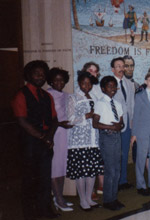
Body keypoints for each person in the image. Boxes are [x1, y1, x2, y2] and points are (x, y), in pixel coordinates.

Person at [12, 60, 60, 219]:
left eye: (43, 74)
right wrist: (42, 137)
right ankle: (30, 214)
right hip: (29, 144)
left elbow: (55, 119)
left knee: (45, 179)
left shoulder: (47, 96)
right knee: (30, 180)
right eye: (37, 73)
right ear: (29, 75)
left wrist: (49, 137)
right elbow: (22, 121)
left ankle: (45, 211)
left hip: (46, 143)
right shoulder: (21, 94)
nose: (40, 76)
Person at [66, 72, 103, 211]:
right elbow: (70, 118)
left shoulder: (94, 97)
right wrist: (87, 115)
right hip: (79, 141)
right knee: (81, 171)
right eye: (83, 83)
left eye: (89, 83)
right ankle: (82, 200)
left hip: (93, 139)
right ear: (79, 83)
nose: (86, 86)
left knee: (92, 171)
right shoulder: (73, 97)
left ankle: (89, 198)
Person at [92, 76, 125, 211]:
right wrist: (112, 127)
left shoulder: (117, 104)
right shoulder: (100, 103)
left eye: (114, 87)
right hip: (107, 137)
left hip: (117, 137)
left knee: (117, 170)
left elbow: (121, 122)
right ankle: (107, 200)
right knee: (110, 170)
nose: (112, 89)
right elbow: (95, 123)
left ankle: (114, 197)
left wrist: (119, 126)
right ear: (103, 88)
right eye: (109, 87)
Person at [46, 68, 74, 212]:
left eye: (62, 80)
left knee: (62, 167)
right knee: (55, 168)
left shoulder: (67, 95)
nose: (59, 82)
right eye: (56, 80)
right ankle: (58, 199)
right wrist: (59, 124)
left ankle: (60, 197)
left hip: (65, 135)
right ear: (50, 80)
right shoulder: (47, 95)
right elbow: (45, 118)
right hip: (54, 134)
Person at [109, 58, 135, 191]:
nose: (121, 68)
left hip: (127, 125)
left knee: (124, 153)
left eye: (122, 66)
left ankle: (123, 180)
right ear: (113, 69)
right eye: (117, 66)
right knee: (115, 155)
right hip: (114, 125)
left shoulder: (129, 83)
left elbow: (131, 105)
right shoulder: (109, 84)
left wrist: (132, 123)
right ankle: (114, 181)